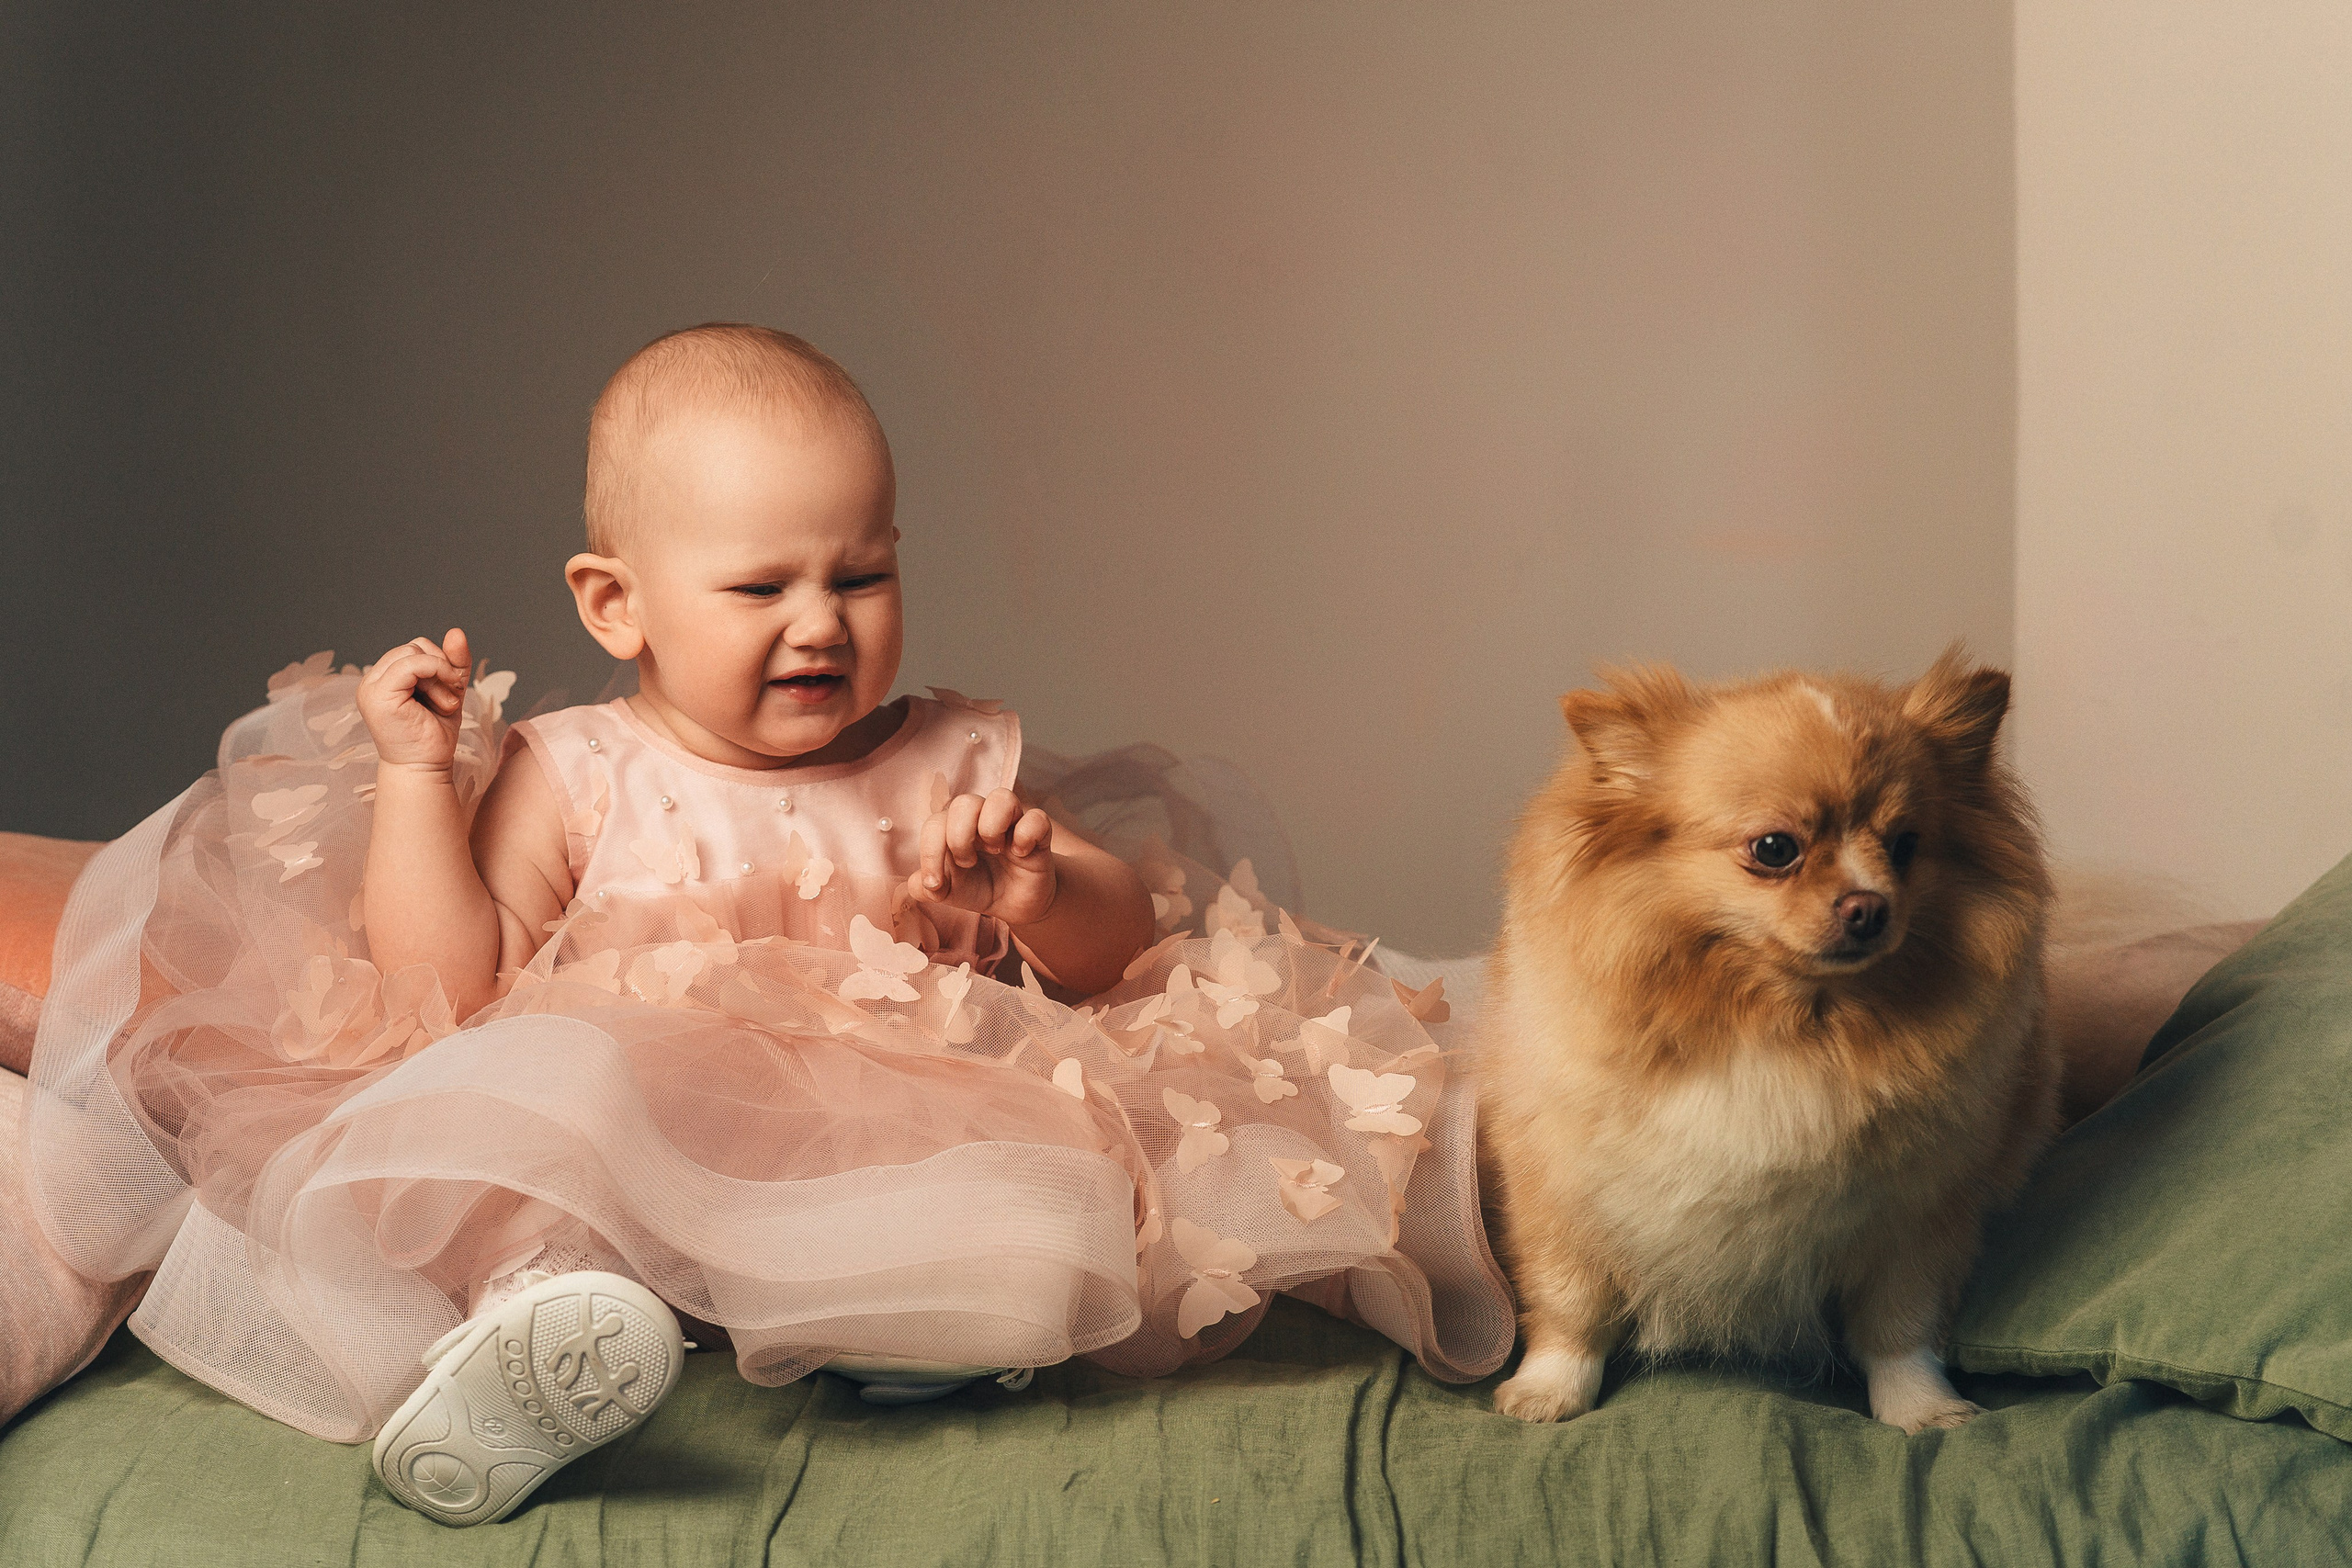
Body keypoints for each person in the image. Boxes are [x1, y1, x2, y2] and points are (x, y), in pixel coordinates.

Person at [25, 325, 1511, 1526]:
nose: (823, 623)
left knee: (1026, 1176)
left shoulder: (945, 761)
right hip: (644, 1118)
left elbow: (1132, 958)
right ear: (619, 605)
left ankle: (920, 1320)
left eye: (861, 574)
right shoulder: (574, 775)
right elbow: (441, 988)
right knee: (527, 1125)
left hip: (889, 1111)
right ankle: (545, 1341)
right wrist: (422, 780)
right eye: (762, 588)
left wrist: (1045, 895)